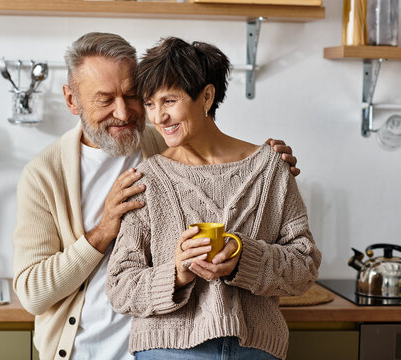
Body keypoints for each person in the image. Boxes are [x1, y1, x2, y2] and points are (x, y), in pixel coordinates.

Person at [12, 32, 301, 360]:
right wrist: (102, 232)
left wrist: (266, 164)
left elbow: (215, 155)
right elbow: (33, 294)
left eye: (133, 96)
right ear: (71, 100)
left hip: (158, 346)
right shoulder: (44, 175)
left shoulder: (167, 142)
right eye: (105, 100)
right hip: (84, 350)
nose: (123, 112)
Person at [105, 37, 321, 360]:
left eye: (169, 101)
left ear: (206, 96)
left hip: (255, 349)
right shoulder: (148, 180)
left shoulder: (270, 170)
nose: (158, 117)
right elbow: (121, 287)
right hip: (168, 350)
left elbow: (304, 268)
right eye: (150, 104)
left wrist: (243, 258)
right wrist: (176, 273)